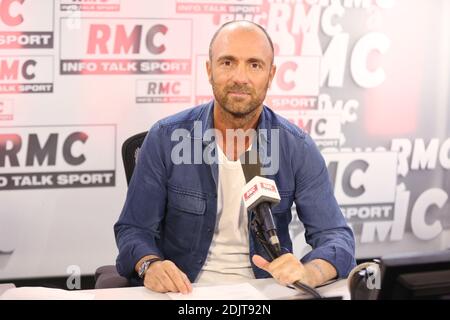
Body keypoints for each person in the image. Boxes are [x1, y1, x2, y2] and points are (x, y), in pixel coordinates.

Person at [114, 20, 355, 294]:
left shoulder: (296, 147)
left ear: (271, 74)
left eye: (254, 65)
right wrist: (150, 265)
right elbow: (133, 229)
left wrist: (310, 272)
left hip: (267, 291)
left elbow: (337, 238)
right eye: (228, 62)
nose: (240, 77)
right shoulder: (165, 138)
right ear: (209, 69)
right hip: (184, 291)